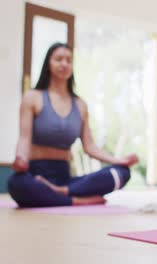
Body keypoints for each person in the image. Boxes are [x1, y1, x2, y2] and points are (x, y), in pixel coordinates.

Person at [8, 43, 138, 208]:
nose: (64, 64)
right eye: (59, 59)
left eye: (69, 60)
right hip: (37, 175)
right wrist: (20, 159)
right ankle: (76, 200)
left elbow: (90, 147)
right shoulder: (32, 97)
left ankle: (61, 191)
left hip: (66, 178)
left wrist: (119, 160)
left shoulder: (80, 104)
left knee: (122, 173)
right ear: (48, 63)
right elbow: (24, 138)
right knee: (16, 183)